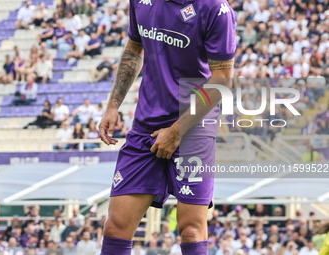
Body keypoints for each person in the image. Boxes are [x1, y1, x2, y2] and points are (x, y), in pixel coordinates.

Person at [98, 0, 235, 253]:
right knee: (115, 226)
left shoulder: (215, 8)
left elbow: (222, 80)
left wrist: (176, 132)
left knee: (191, 229)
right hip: (146, 125)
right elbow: (134, 48)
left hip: (195, 125)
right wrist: (113, 105)